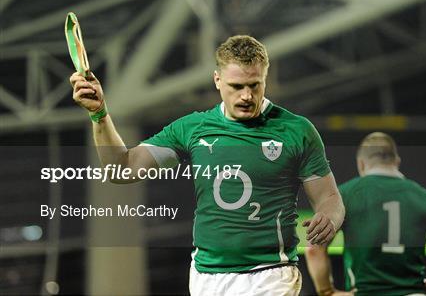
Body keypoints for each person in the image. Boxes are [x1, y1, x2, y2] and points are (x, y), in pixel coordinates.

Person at [70, 35, 345, 295]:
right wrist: (99, 114)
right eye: (236, 86)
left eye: (255, 85)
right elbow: (123, 168)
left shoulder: (296, 130)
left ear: (265, 80)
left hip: (271, 273)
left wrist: (329, 217)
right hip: (208, 276)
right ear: (217, 80)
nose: (246, 96)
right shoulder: (193, 128)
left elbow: (329, 197)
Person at [305, 132, 426, 296]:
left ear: (361, 164)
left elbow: (314, 249)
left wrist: (326, 291)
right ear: (396, 161)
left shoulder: (343, 196)